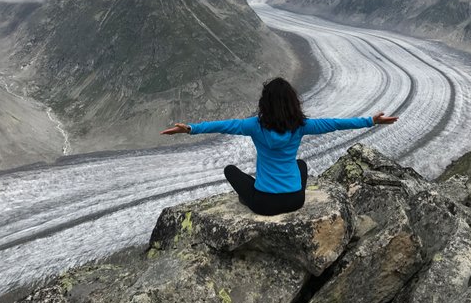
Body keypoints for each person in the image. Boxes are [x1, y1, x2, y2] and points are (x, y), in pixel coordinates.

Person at [161, 77, 399, 216]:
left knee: (230, 171)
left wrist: (190, 128)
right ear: (293, 103)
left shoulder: (254, 125)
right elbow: (335, 124)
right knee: (301, 164)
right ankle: (268, 192)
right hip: (296, 200)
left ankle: (248, 198)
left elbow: (224, 125)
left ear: (264, 103)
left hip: (264, 204)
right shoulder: (301, 125)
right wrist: (371, 121)